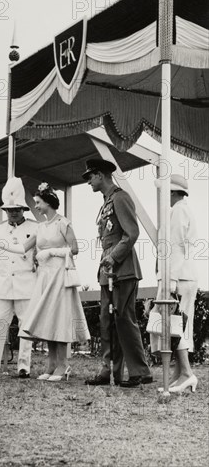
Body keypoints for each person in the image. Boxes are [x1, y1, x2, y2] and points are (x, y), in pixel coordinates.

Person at [0, 182, 90, 382]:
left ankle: (63, 366)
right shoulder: (40, 227)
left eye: (38, 203)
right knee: (48, 320)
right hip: (44, 277)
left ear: (48, 203)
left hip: (59, 275)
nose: (36, 206)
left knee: (59, 319)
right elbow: (23, 248)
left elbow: (74, 249)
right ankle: (51, 364)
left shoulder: (63, 223)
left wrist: (51, 252)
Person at [82, 159, 152, 388]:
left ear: (101, 175)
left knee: (123, 319)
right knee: (107, 321)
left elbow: (131, 233)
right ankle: (109, 371)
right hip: (108, 269)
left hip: (122, 269)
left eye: (90, 176)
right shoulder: (106, 203)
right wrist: (107, 260)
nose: (89, 181)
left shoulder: (120, 198)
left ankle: (140, 371)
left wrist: (113, 257)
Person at [0, 177, 38, 379]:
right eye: (10, 210)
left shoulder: (35, 228)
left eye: (17, 209)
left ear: (23, 209)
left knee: (26, 328)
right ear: (5, 211)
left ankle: (24, 366)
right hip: (2, 286)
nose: (13, 212)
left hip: (26, 286)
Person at [153, 174, 199, 393]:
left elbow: (176, 246)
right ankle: (179, 373)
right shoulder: (180, 209)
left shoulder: (179, 210)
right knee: (177, 325)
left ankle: (187, 374)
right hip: (181, 275)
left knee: (175, 325)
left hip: (179, 276)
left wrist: (170, 279)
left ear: (171, 192)